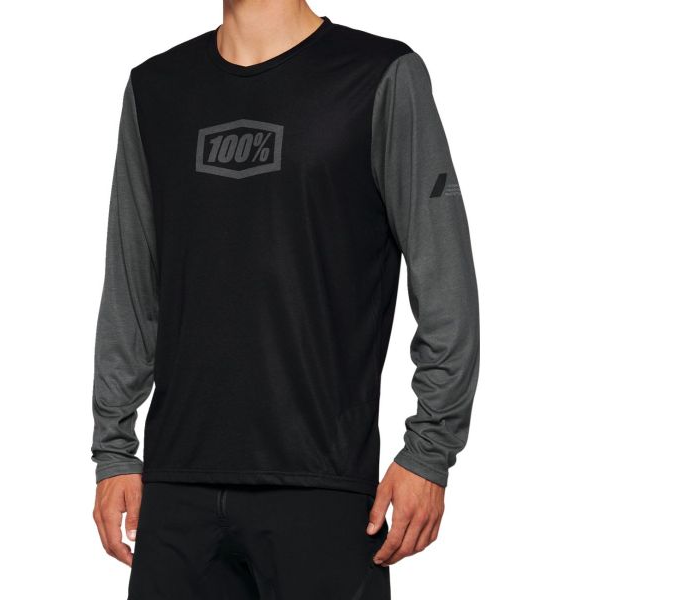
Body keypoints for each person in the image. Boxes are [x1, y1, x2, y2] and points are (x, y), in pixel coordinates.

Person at [91, 1, 479, 597]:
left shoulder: (379, 75)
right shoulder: (156, 88)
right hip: (176, 489)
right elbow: (130, 283)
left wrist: (429, 451)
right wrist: (114, 449)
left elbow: (444, 279)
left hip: (324, 486)